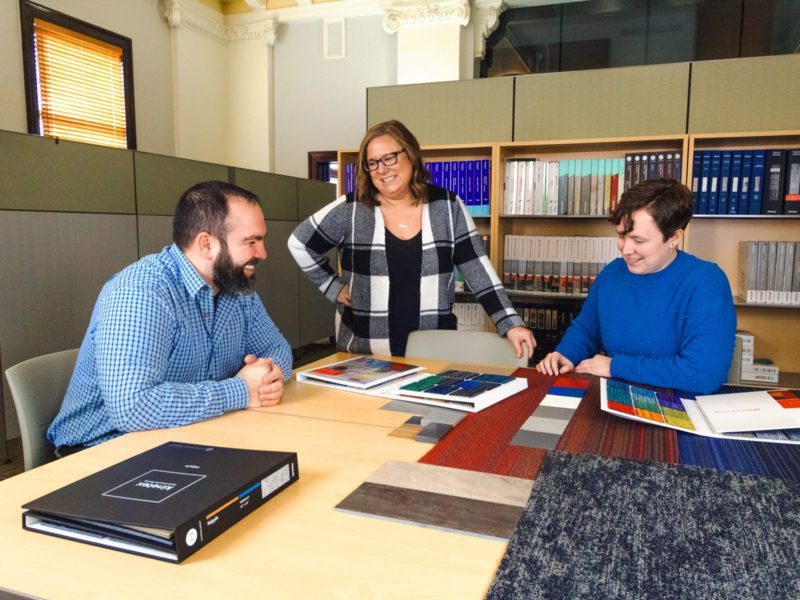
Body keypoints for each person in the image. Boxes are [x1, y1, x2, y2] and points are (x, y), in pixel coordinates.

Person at [48, 181, 292, 454]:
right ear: (207, 244)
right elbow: (133, 408)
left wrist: (269, 378)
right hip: (101, 448)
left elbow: (276, 348)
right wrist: (242, 390)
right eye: (251, 242)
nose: (262, 253)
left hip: (188, 432)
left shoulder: (236, 288)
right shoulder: (141, 293)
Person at [288, 119, 535, 358]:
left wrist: (510, 323)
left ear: (411, 154)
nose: (381, 169)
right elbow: (299, 243)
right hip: (365, 354)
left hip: (434, 350)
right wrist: (332, 286)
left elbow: (477, 270)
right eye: (372, 163)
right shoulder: (350, 209)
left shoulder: (447, 206)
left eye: (389, 158)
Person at [536, 178, 736, 394]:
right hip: (617, 398)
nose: (626, 249)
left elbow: (703, 374)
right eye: (621, 236)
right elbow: (587, 330)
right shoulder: (613, 272)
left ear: (674, 238)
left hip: (680, 407)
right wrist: (566, 354)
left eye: (638, 241)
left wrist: (616, 366)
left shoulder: (706, 282)